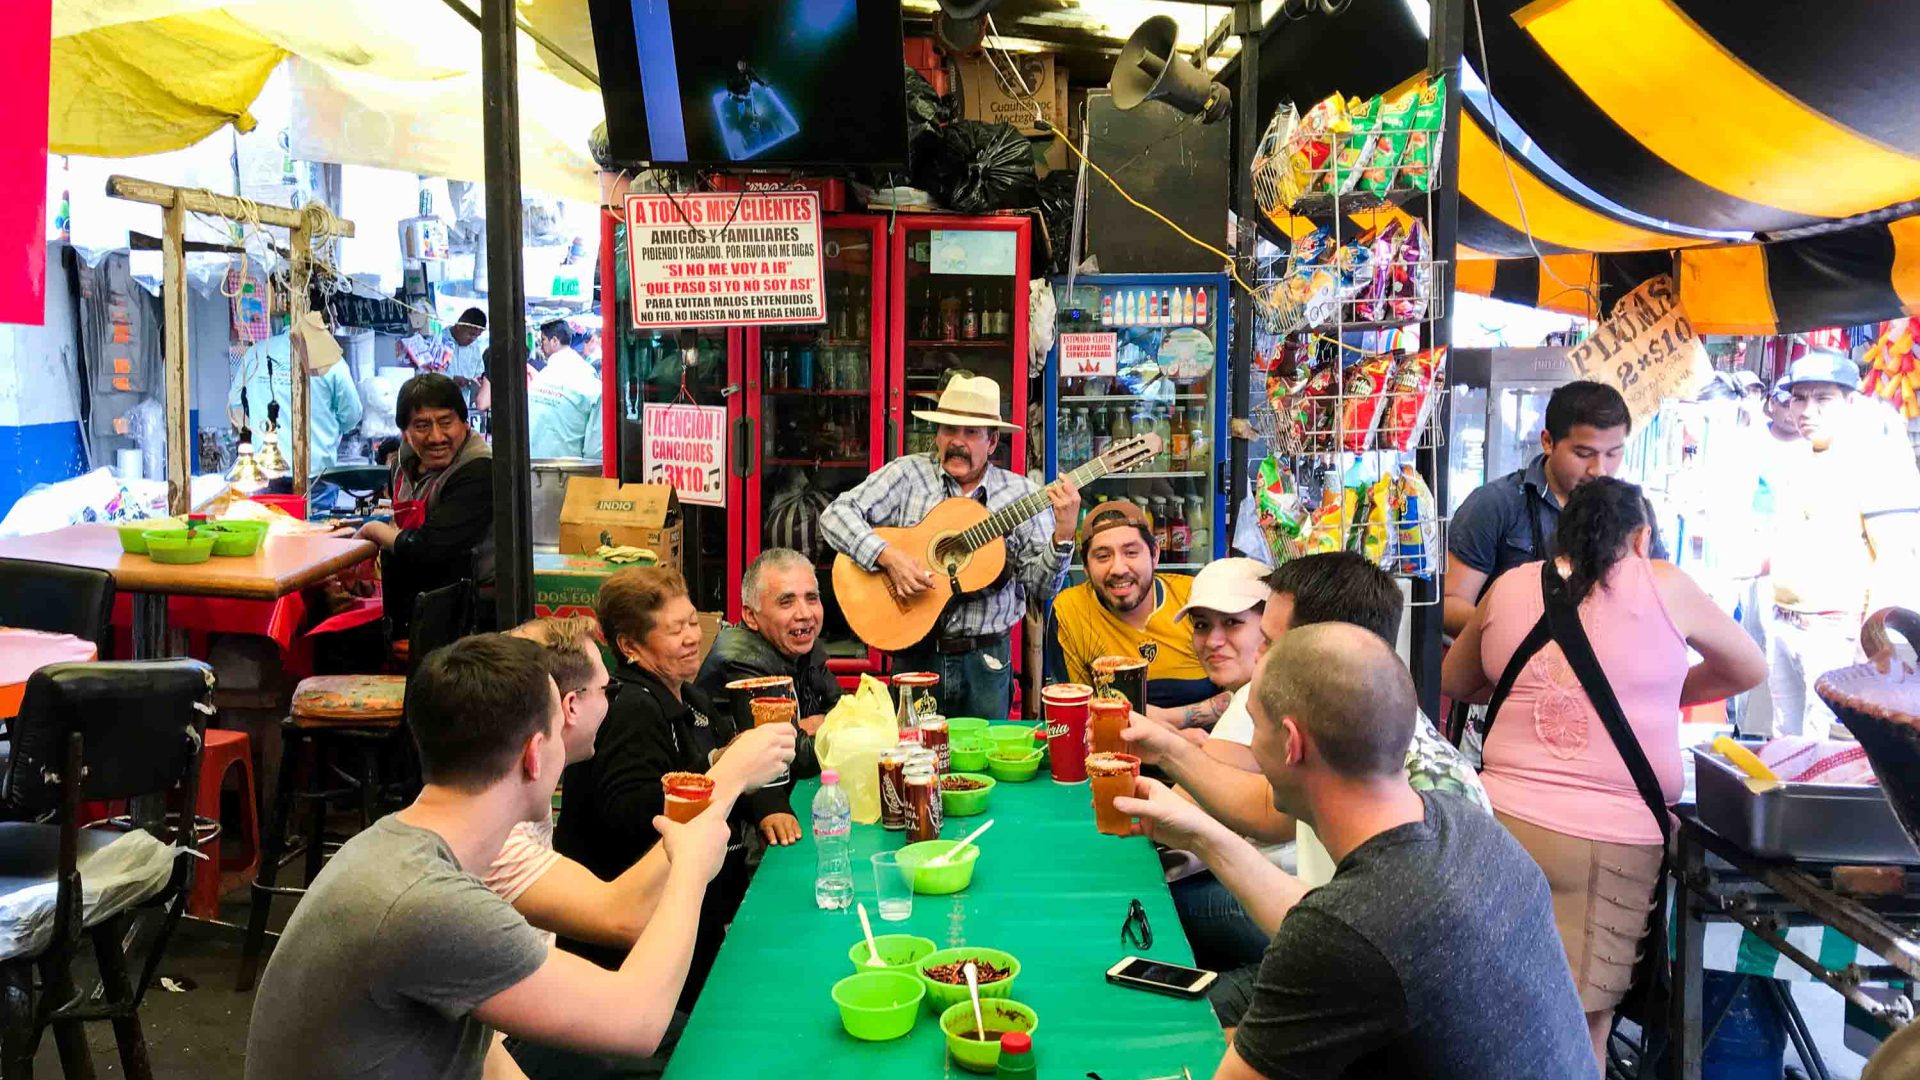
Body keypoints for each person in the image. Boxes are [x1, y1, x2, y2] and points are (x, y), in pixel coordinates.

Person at [245, 634, 733, 1080]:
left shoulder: (398, 849)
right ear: (535, 754)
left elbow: (483, 1049)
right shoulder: (430, 903)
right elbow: (636, 1022)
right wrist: (690, 868)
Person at [1117, 625, 1593, 1078]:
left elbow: (1340, 937)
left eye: (1253, 726)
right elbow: (1335, 925)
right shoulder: (1462, 822)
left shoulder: (1344, 934)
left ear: (1291, 743)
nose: (1248, 745)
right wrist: (1201, 833)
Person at [1443, 476, 1766, 1066]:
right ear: (1641, 538)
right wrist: (1662, 691)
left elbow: (1457, 679)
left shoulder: (1513, 585)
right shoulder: (1665, 583)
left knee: (1490, 1002)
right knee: (1584, 1024)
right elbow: (1750, 666)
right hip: (1612, 843)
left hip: (1499, 822)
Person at [1126, 551, 1489, 1026]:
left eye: (1269, 642)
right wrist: (1175, 759)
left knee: (1161, 1025)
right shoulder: (1364, 731)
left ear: (1326, 651)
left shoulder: (1409, 823)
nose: (1258, 658)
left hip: (1379, 1006)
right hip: (1344, 961)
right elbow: (1275, 825)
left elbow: (1352, 970)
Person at [493, 616, 793, 1079]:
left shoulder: (517, 795)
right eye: (607, 691)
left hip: (533, 1002)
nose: (616, 703)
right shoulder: (497, 831)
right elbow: (624, 920)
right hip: (513, 1039)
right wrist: (726, 777)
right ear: (570, 706)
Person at [552, 566, 796, 1001]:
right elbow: (630, 816)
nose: (691, 638)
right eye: (674, 630)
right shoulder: (630, 709)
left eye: (691, 623)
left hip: (703, 916)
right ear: (629, 645)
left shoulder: (692, 696)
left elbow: (734, 768)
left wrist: (767, 805)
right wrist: (721, 773)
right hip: (634, 950)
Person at [821, 374, 1080, 719]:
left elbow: (1041, 585)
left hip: (986, 661)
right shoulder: (908, 475)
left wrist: (1063, 534)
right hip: (914, 653)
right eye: (948, 430)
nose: (957, 442)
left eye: (971, 432)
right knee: (912, 761)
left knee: (985, 760)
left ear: (992, 441)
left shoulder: (1019, 495)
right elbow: (835, 514)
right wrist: (888, 556)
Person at [1760, 349, 1920, 738]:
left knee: (1827, 745)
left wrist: (1872, 647)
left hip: (1836, 633)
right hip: (1783, 622)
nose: (1807, 410)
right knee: (1786, 741)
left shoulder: (1876, 460)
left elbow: (1895, 556)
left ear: (1851, 401)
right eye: (1799, 398)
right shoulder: (1794, 458)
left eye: (1822, 399)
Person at [1444, 380, 1665, 635]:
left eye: (1613, 454)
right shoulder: (1495, 505)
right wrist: (1526, 633)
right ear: (1548, 442)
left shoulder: (1635, 515)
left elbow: (1659, 598)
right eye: (1583, 454)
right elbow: (1450, 605)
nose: (1599, 469)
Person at [1044, 499, 1225, 728]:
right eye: (1102, 556)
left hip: (1207, 750)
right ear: (1086, 567)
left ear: (1154, 555)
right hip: (1111, 753)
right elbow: (1075, 711)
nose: (1118, 568)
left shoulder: (1195, 598)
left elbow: (1245, 694)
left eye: (1131, 552)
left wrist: (1169, 724)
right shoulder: (1072, 610)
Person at [351, 374, 493, 637]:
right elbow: (399, 523)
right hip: (415, 605)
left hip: (468, 617)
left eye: (446, 422)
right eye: (422, 426)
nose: (436, 437)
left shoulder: (479, 468)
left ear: (464, 423)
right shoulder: (401, 464)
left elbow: (430, 547)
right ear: (405, 433)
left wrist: (372, 531)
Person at [695, 548, 840, 777]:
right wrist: (816, 727)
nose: (804, 613)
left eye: (812, 598)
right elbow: (791, 758)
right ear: (751, 617)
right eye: (786, 602)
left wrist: (811, 727)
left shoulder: (802, 644)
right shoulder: (741, 659)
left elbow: (843, 710)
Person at [227, 328, 364, 512]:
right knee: (317, 535)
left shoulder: (255, 354)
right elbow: (352, 416)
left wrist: (256, 432)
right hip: (316, 476)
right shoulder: (331, 359)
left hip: (265, 473)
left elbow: (235, 407)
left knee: (271, 535)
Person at [529, 318, 603, 461]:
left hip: (533, 469)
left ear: (555, 341)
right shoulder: (588, 379)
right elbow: (595, 451)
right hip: (570, 473)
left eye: (543, 340)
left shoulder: (541, 378)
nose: (541, 347)